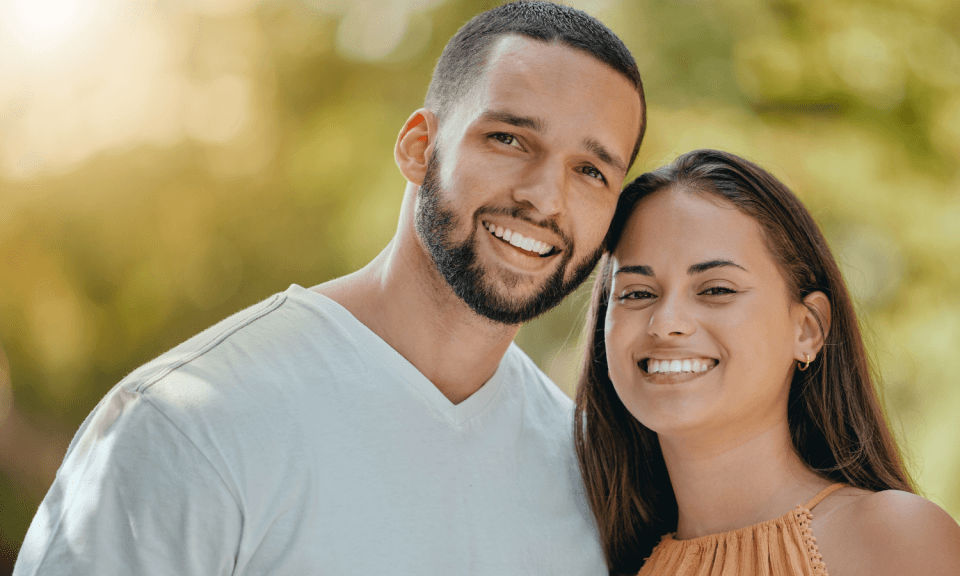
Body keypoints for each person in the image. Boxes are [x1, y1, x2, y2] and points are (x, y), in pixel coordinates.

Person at [14, 3, 645, 574]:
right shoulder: (188, 426)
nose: (544, 195)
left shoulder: (593, 478)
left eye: (590, 170)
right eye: (508, 138)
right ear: (420, 147)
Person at [574, 149, 960, 576]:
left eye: (716, 289)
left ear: (808, 328)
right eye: (637, 293)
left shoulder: (896, 539)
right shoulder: (599, 560)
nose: (666, 323)